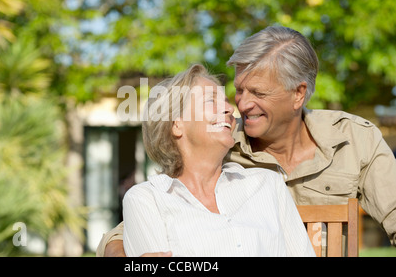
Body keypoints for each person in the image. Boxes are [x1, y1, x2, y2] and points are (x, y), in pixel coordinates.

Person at [96, 26, 396, 257]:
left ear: (298, 94)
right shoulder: (221, 143)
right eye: (239, 90)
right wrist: (120, 250)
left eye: (259, 93)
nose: (241, 105)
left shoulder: (353, 139)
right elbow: (160, 209)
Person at [122, 63, 314, 256]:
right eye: (211, 101)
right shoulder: (147, 199)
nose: (230, 109)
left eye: (225, 101)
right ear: (176, 125)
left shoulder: (267, 183)